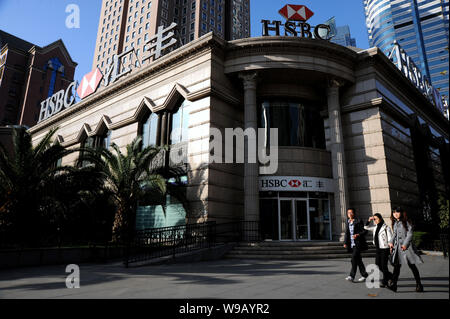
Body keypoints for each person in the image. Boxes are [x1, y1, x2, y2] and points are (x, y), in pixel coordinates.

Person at [388, 207, 424, 292]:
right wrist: (390, 242)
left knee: (412, 266)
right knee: (397, 267)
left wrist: (405, 245)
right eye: (393, 213)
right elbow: (394, 234)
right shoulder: (395, 223)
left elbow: (410, 234)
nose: (395, 214)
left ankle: (419, 285)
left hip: (407, 248)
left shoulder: (407, 222)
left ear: (401, 213)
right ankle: (394, 284)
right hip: (398, 248)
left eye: (397, 212)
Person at [364, 213, 393, 287]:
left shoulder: (386, 227)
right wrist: (369, 220)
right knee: (378, 265)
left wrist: (390, 246)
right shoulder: (375, 227)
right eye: (374, 219)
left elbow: (390, 238)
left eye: (376, 219)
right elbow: (365, 227)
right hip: (378, 249)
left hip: (385, 249)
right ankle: (391, 276)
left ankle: (384, 281)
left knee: (384, 266)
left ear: (380, 218)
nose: (375, 220)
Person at [343, 208, 369, 282]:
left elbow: (364, 231)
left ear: (354, 213)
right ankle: (364, 275)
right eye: (348, 213)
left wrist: (357, 234)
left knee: (353, 259)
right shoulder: (347, 222)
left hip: (358, 243)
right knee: (358, 260)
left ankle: (351, 276)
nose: (350, 214)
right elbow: (347, 233)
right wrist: (345, 242)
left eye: (351, 212)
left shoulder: (358, 221)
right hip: (351, 244)